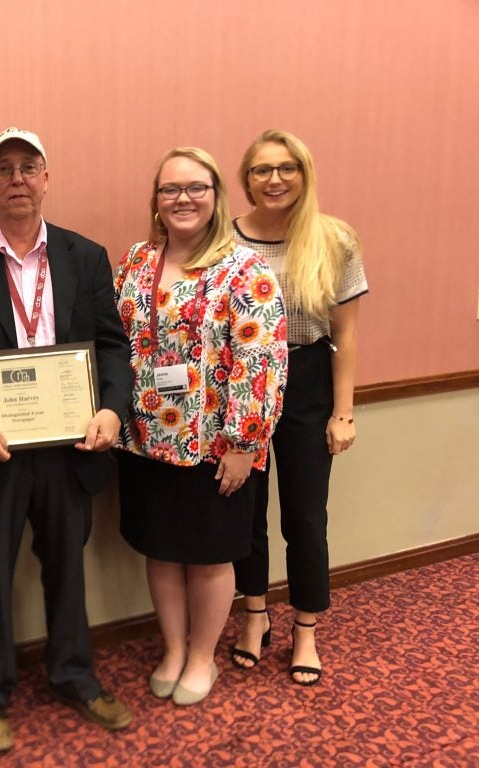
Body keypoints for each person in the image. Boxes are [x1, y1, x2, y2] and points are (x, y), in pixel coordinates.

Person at [0, 127, 134, 754]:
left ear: (47, 178)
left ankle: (74, 674)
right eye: (4, 169)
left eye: (29, 167)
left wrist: (112, 411)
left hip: (72, 450)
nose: (17, 179)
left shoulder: (85, 256)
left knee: (68, 570)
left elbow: (113, 346)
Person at [114, 147, 287, 706]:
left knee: (211, 555)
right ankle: (172, 648)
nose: (183, 199)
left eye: (196, 187)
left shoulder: (245, 270)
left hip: (215, 444)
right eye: (170, 189)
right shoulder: (136, 261)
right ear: (155, 201)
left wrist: (243, 443)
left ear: (216, 196)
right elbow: (114, 342)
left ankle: (203, 656)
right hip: (145, 441)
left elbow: (261, 363)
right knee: (162, 550)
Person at [230, 130, 368, 686]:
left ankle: (305, 628)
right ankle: (255, 614)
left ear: (304, 174)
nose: (275, 179)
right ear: (246, 180)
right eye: (262, 170)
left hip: (307, 377)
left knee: (306, 516)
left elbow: (347, 334)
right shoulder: (226, 239)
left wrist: (343, 412)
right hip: (241, 379)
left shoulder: (335, 239)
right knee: (245, 511)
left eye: (287, 168)